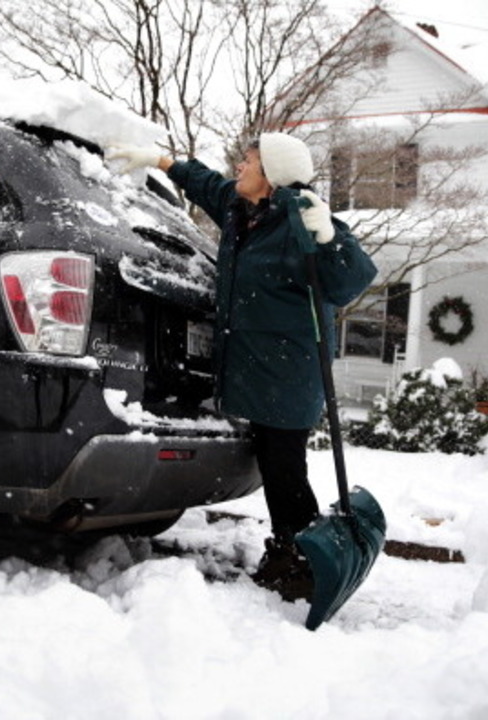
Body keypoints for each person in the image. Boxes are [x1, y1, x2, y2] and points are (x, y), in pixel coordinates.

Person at [107, 133, 378, 602]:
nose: (240, 167)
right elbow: (206, 183)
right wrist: (160, 161)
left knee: (284, 470)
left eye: (249, 161)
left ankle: (297, 560)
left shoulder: (303, 219)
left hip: (289, 373)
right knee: (277, 467)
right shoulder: (241, 211)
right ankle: (293, 550)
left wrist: (330, 238)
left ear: (270, 176)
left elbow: (349, 281)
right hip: (254, 368)